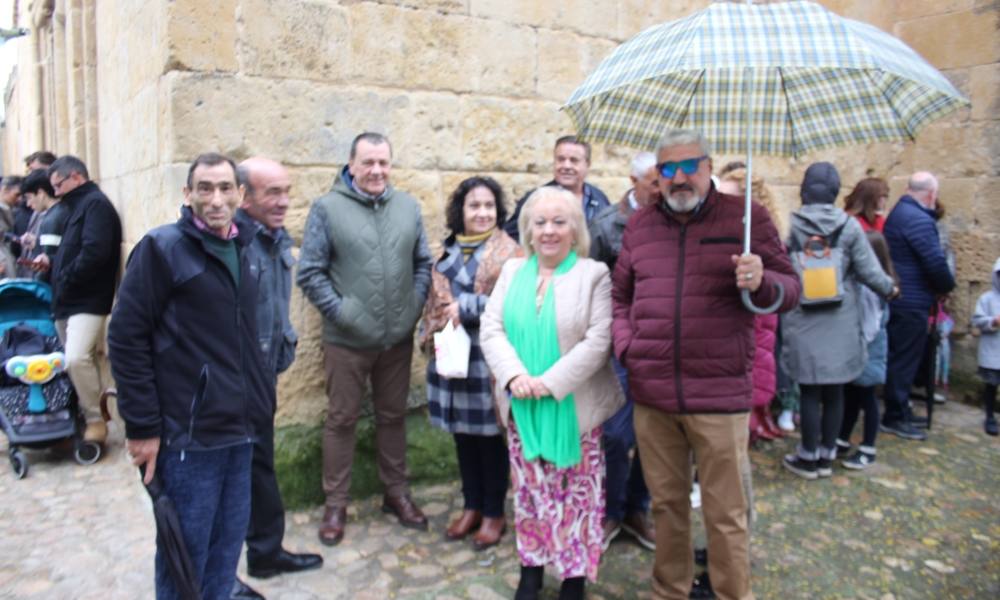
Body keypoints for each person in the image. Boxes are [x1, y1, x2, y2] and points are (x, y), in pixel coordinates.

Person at [612, 128, 800, 600]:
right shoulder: (641, 225)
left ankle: (731, 593)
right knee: (667, 507)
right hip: (653, 395)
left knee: (725, 513)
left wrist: (761, 282)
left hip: (719, 396)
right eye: (667, 169)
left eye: (688, 166)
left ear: (707, 167)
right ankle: (669, 590)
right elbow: (620, 296)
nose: (678, 178)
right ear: (658, 176)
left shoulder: (746, 218)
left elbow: (790, 290)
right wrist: (626, 346)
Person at [108, 152, 274, 600]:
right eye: (204, 188)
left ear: (240, 195)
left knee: (225, 551)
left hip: (239, 431)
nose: (215, 199)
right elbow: (125, 339)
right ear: (188, 194)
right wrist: (142, 427)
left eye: (225, 188)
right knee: (185, 555)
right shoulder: (162, 250)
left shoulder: (248, 245)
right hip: (189, 436)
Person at [481, 185, 624, 600]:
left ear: (574, 228)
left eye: (558, 222)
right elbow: (492, 329)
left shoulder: (593, 274)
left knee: (576, 498)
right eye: (539, 222)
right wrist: (514, 377)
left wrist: (549, 383)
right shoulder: (511, 272)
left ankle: (574, 577)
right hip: (521, 407)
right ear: (527, 229)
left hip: (573, 409)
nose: (548, 231)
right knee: (529, 493)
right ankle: (531, 568)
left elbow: (599, 341)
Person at [297, 132, 434, 546]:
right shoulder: (327, 208)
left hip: (397, 340)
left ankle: (396, 493)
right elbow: (310, 272)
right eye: (368, 163)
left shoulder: (408, 207)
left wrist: (413, 306)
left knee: (393, 417)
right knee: (342, 420)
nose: (377, 171)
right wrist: (343, 313)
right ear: (352, 165)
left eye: (383, 163)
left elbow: (423, 263)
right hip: (347, 342)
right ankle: (335, 504)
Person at [230, 157, 322, 600]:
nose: (284, 201)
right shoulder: (231, 243)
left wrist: (284, 346)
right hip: (228, 383)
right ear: (244, 196)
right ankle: (220, 577)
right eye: (273, 193)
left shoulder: (274, 238)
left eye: (286, 191)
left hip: (261, 377)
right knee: (226, 477)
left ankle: (266, 553)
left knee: (260, 465)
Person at [418, 176, 522, 550]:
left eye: (489, 206)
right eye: (474, 205)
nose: (482, 212)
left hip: (489, 358)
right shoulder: (448, 250)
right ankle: (472, 505)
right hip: (451, 350)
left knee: (491, 439)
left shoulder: (511, 252)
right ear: (460, 210)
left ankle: (494, 512)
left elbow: (517, 301)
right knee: (463, 435)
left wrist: (469, 308)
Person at [780, 162, 896, 480]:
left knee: (809, 390)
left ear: (804, 189)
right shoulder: (849, 227)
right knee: (834, 391)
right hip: (840, 318)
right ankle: (827, 454)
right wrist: (890, 289)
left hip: (803, 316)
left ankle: (807, 456)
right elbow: (870, 271)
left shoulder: (791, 225)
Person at [588, 151, 658, 552]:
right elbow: (590, 287)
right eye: (653, 182)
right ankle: (612, 508)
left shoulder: (672, 221)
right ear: (634, 181)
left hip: (660, 346)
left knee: (656, 433)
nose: (662, 189)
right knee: (614, 435)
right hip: (617, 346)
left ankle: (637, 507)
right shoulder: (605, 226)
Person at [45, 156, 122, 445]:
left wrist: (66, 276)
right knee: (77, 361)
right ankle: (89, 413)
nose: (56, 192)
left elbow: (95, 253)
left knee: (76, 358)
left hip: (87, 300)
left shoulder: (95, 205)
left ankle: (95, 419)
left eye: (58, 184)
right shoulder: (80, 205)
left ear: (76, 177)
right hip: (70, 300)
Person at [881, 172, 955, 441]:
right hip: (911, 301)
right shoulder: (918, 220)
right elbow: (934, 262)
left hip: (902, 297)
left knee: (902, 358)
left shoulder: (900, 212)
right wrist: (946, 286)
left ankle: (899, 410)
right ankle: (895, 416)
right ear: (931, 195)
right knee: (904, 360)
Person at [717, 167, 783, 442]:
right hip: (719, 357)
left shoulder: (761, 245)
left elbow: (774, 303)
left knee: (732, 446)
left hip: (743, 352)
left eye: (726, 198)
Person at [836, 230, 897, 469]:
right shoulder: (866, 285)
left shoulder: (873, 289)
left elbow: (870, 326)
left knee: (867, 398)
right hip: (860, 350)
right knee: (852, 395)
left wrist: (853, 343)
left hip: (867, 351)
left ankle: (868, 447)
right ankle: (842, 438)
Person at [503, 135, 610, 242]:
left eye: (574, 160)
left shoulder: (600, 199)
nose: (566, 166)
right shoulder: (534, 200)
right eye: (561, 159)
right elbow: (510, 239)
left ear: (587, 164)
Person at [17, 170, 63, 280]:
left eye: (29, 197)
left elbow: (48, 258)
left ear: (41, 193)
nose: (28, 204)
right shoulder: (62, 211)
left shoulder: (51, 219)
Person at [972, 258, 1000, 436]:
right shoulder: (987, 299)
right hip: (993, 351)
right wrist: (993, 321)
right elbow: (977, 320)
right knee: (991, 385)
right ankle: (989, 415)